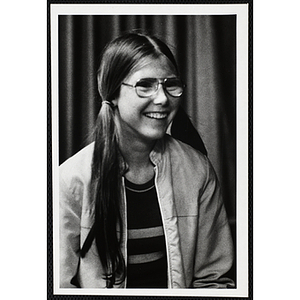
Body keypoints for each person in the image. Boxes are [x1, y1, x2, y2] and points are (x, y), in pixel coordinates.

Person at [59, 32, 235, 289]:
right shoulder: (70, 179)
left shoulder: (198, 171)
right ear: (113, 93)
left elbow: (213, 280)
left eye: (170, 84)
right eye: (146, 85)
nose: (162, 98)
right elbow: (55, 286)